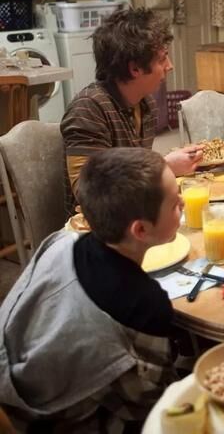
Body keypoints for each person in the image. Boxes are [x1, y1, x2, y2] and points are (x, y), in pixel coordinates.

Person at [0, 148, 182, 432]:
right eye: (175, 204)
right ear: (140, 230)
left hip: (14, 386)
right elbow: (150, 402)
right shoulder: (145, 304)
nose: (183, 202)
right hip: (49, 422)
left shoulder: (60, 241)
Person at [60, 7, 203, 216]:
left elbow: (131, 171)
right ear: (135, 68)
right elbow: (89, 193)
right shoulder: (88, 108)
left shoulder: (145, 104)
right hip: (99, 228)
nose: (170, 66)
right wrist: (163, 167)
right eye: (162, 59)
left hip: (133, 214)